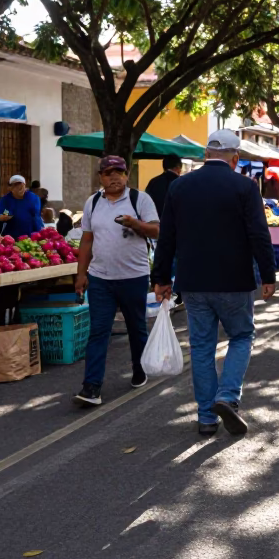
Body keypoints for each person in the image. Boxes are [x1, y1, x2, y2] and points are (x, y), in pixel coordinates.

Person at [152, 129, 276, 436]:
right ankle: (227, 395)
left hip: (193, 281)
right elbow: (259, 234)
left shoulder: (179, 186)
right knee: (242, 335)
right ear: (235, 159)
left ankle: (206, 417)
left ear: (206, 154)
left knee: (203, 347)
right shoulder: (245, 187)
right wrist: (268, 275)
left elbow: (166, 236)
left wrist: (161, 278)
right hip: (234, 279)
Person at [73, 157, 161, 407]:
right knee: (99, 331)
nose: (114, 177)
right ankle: (91, 387)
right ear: (100, 176)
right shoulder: (93, 202)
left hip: (134, 276)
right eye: (108, 172)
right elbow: (87, 240)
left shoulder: (139, 199)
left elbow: (157, 231)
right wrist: (82, 274)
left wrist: (136, 224)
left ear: (127, 174)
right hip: (100, 278)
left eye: (119, 172)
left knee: (136, 328)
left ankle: (139, 368)